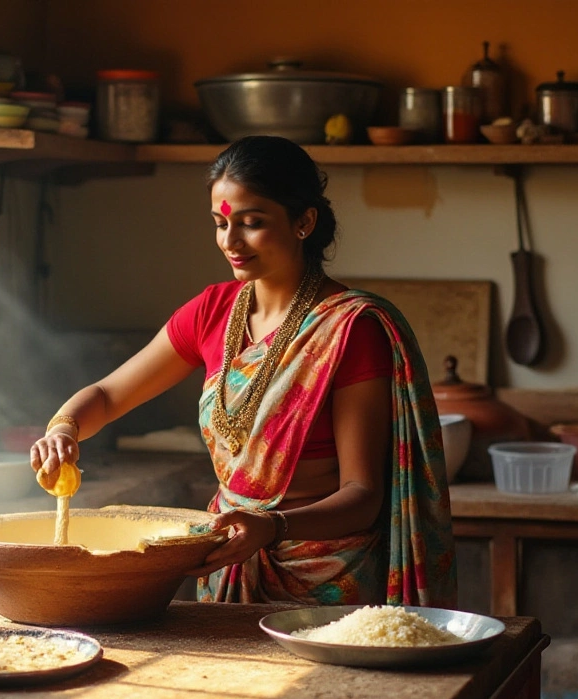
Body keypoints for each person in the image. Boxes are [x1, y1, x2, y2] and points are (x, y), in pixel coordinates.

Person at [32, 135, 456, 608]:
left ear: (304, 222)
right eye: (220, 224)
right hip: (229, 564)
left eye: (252, 224)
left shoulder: (349, 329)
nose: (230, 242)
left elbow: (363, 495)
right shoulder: (212, 310)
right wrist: (64, 428)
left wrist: (272, 528)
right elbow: (109, 396)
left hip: (325, 584)